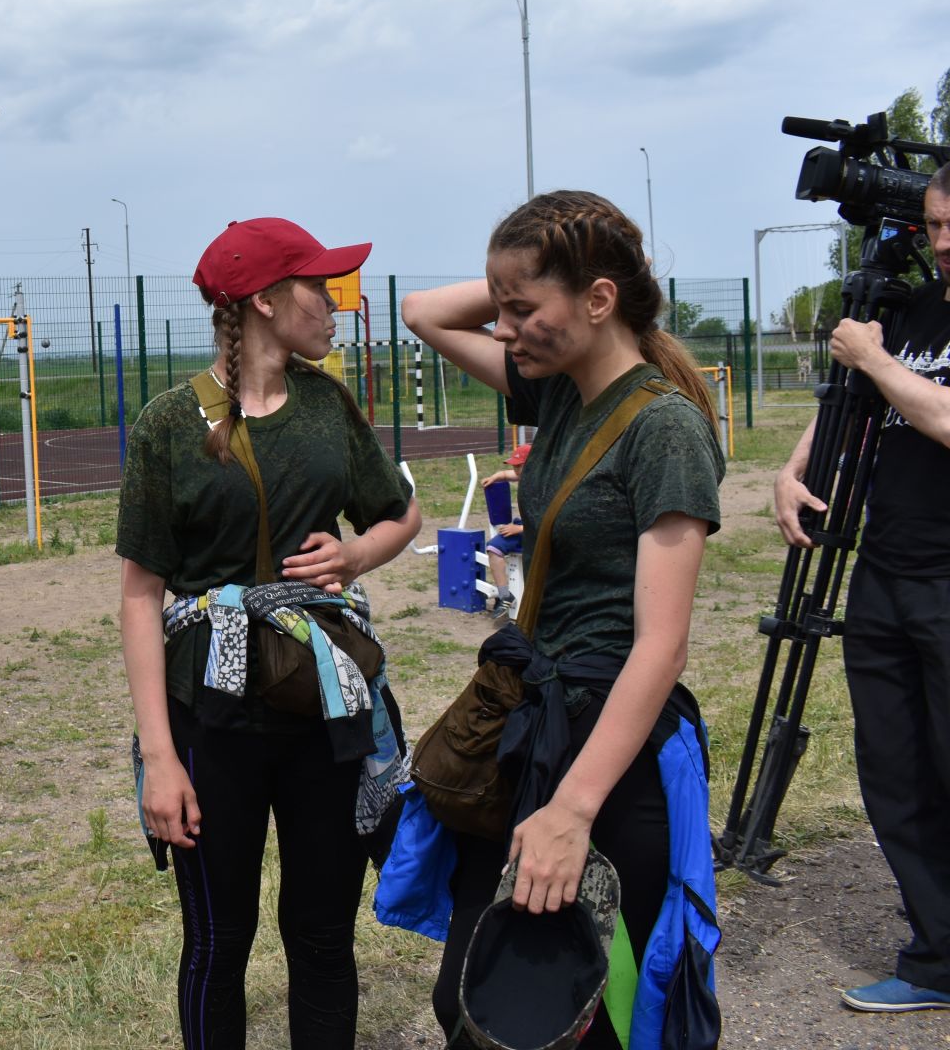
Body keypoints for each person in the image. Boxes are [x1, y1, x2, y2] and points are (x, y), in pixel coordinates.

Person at [399, 190, 724, 1049]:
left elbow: (663, 644)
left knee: (581, 1018)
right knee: (469, 1001)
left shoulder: (664, 429)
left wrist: (574, 810)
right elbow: (421, 312)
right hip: (538, 726)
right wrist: (529, 275)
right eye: (499, 309)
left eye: (521, 309)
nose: (503, 330)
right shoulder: (562, 393)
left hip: (608, 756)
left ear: (599, 299)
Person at [117, 216, 423, 1048]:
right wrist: (159, 759)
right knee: (218, 941)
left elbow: (401, 515)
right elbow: (142, 597)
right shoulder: (168, 427)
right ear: (261, 301)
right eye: (318, 288)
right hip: (209, 721)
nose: (334, 306)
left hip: (320, 707)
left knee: (323, 934)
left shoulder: (328, 407)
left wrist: (355, 555)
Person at [773, 167, 950, 1014]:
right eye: (937, 225)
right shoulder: (914, 309)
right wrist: (798, 464)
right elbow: (861, 393)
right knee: (896, 770)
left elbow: (945, 418)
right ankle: (936, 957)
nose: (944, 242)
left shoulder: (895, 333)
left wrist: (875, 358)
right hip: (886, 571)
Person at [480, 442, 530, 611]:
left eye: (519, 466)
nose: (516, 471)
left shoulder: (545, 484)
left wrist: (520, 529)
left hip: (536, 530)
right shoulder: (523, 475)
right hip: (523, 526)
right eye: (514, 466)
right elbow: (505, 474)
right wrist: (494, 477)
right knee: (493, 547)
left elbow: (547, 519)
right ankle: (504, 595)